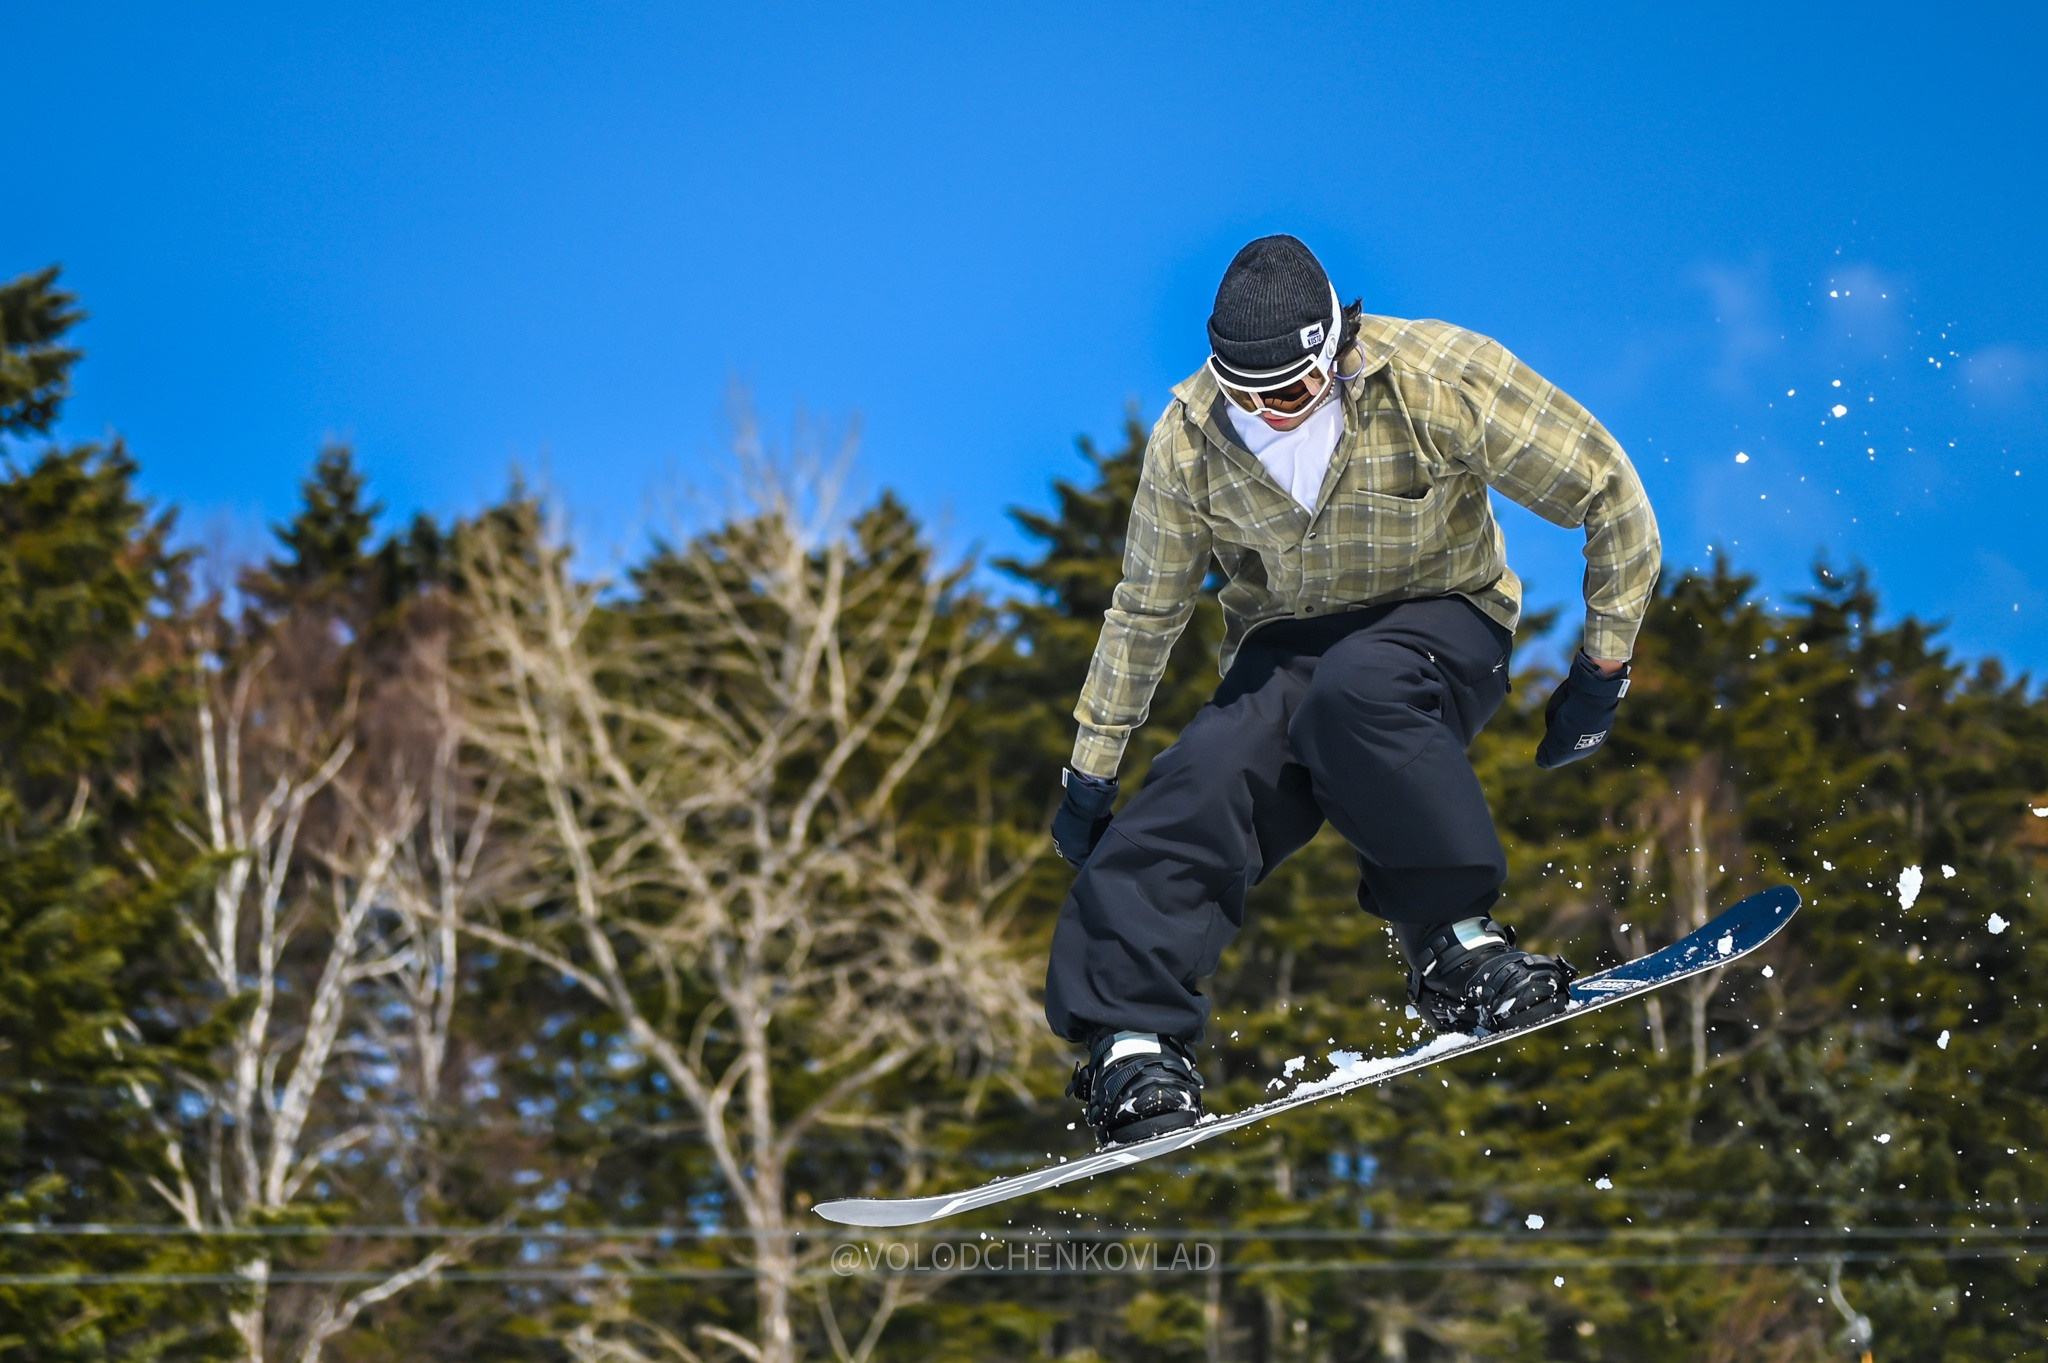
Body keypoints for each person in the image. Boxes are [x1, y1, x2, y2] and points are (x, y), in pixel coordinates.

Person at [1047, 235, 1660, 1146]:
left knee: (1357, 690)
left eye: (1292, 393)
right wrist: (1091, 771)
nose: (1273, 416)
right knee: (1201, 778)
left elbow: (1607, 489)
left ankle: (1454, 943)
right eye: (1248, 398)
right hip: (1285, 645)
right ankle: (1131, 1042)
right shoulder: (1191, 438)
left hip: (1441, 621)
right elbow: (1147, 609)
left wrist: (1601, 671)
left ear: (1337, 349)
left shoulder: (1435, 376)